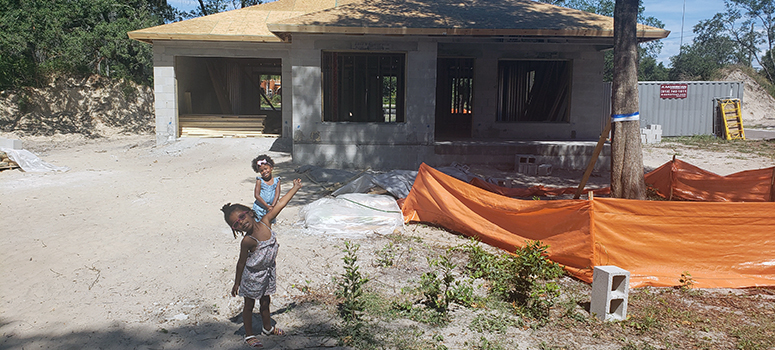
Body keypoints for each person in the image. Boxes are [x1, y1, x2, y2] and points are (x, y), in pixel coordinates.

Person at [221, 178, 302, 348]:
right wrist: (237, 283)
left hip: (268, 273)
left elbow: (280, 204)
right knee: (249, 305)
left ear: (250, 212)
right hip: (252, 276)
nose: (241, 222)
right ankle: (249, 335)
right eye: (236, 224)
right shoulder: (247, 241)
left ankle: (267, 328)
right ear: (235, 229)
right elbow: (241, 263)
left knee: (266, 302)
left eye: (242, 217)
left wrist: (295, 188)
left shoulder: (266, 222)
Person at [251, 155, 281, 223]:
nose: (264, 172)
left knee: (269, 225)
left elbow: (277, 194)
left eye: (266, 169)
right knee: (258, 225)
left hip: (271, 209)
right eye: (261, 171)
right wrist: (267, 206)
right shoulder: (259, 181)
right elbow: (256, 195)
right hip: (259, 208)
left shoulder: (277, 181)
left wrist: (273, 206)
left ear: (271, 168)